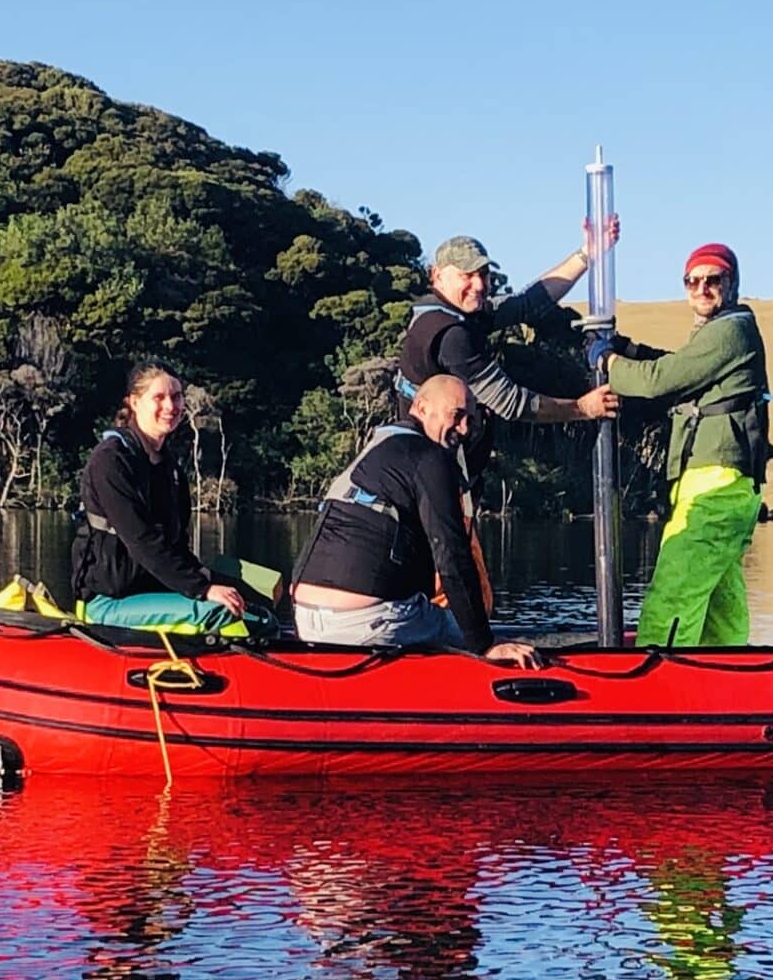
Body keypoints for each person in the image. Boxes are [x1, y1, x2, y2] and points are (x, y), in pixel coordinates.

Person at [290, 375, 546, 667]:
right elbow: (451, 555)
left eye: (470, 419)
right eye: (457, 415)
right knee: (458, 629)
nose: (464, 429)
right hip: (371, 622)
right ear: (421, 408)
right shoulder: (430, 458)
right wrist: (485, 644)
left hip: (305, 619)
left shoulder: (377, 450)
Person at [605, 243, 773, 648]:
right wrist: (625, 348)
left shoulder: (732, 330)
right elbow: (681, 365)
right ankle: (727, 673)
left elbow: (657, 381)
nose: (701, 288)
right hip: (718, 483)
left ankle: (658, 681)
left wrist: (608, 364)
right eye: (692, 281)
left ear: (731, 284)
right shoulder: (719, 333)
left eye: (712, 279)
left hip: (716, 484)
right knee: (720, 600)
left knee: (675, 592)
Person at [401, 230, 623, 485]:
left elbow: (527, 303)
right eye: (467, 275)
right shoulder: (451, 336)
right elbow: (511, 402)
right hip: (429, 471)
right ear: (437, 275)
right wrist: (582, 408)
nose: (480, 285)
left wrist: (587, 254)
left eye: (483, 275)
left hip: (439, 466)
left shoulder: (455, 312)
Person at [67, 362, 255, 633]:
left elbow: (176, 545)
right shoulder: (110, 461)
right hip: (108, 601)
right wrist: (202, 589)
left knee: (258, 615)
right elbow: (142, 540)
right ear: (134, 402)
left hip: (155, 592)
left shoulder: (170, 467)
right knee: (218, 610)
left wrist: (202, 575)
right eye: (159, 397)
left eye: (177, 397)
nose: (171, 406)